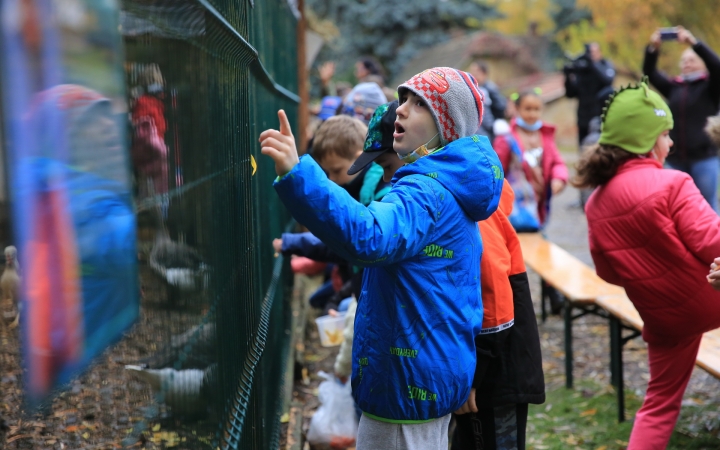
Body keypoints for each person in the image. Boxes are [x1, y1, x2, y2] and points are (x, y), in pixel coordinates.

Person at [260, 67, 503, 450]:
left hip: (407, 381)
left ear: (447, 125)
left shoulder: (425, 193)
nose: (402, 110)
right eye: (403, 99)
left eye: (419, 104)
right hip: (421, 373)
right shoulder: (441, 187)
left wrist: (298, 174)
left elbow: (368, 236)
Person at [573, 79, 720, 449]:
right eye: (666, 134)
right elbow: (711, 242)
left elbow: (607, 270)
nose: (670, 143)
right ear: (645, 138)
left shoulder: (596, 201)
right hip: (710, 298)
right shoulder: (673, 183)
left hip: (664, 317)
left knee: (659, 404)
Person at [452, 178, 545, 450]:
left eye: (387, 166)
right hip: (483, 368)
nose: (388, 178)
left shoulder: (476, 209)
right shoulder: (467, 196)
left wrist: (473, 376)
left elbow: (495, 302)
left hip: (494, 375)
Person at [643, 26, 720, 211]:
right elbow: (650, 73)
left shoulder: (711, 87)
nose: (686, 63)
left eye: (692, 59)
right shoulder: (674, 87)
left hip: (704, 159)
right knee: (675, 208)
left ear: (703, 63)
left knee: (706, 207)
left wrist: (694, 43)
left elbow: (717, 66)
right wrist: (653, 48)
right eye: (684, 60)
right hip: (675, 159)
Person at [492, 91, 568, 226]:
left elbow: (557, 162)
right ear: (517, 109)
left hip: (539, 201)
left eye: (536, 109)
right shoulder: (507, 138)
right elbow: (497, 169)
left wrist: (559, 178)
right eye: (527, 109)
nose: (532, 114)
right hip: (514, 205)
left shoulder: (545, 136)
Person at [564, 42, 615, 145]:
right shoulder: (583, 69)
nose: (590, 55)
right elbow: (570, 93)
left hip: (601, 117)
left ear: (600, 52)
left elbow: (608, 81)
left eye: (593, 52)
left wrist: (592, 64)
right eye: (589, 52)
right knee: (583, 148)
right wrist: (568, 78)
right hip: (583, 117)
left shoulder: (605, 65)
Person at [468, 59, 507, 142]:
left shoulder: (490, 88)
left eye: (476, 72)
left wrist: (494, 124)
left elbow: (500, 107)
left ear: (484, 73)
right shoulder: (474, 88)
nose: (473, 75)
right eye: (472, 72)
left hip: (491, 127)